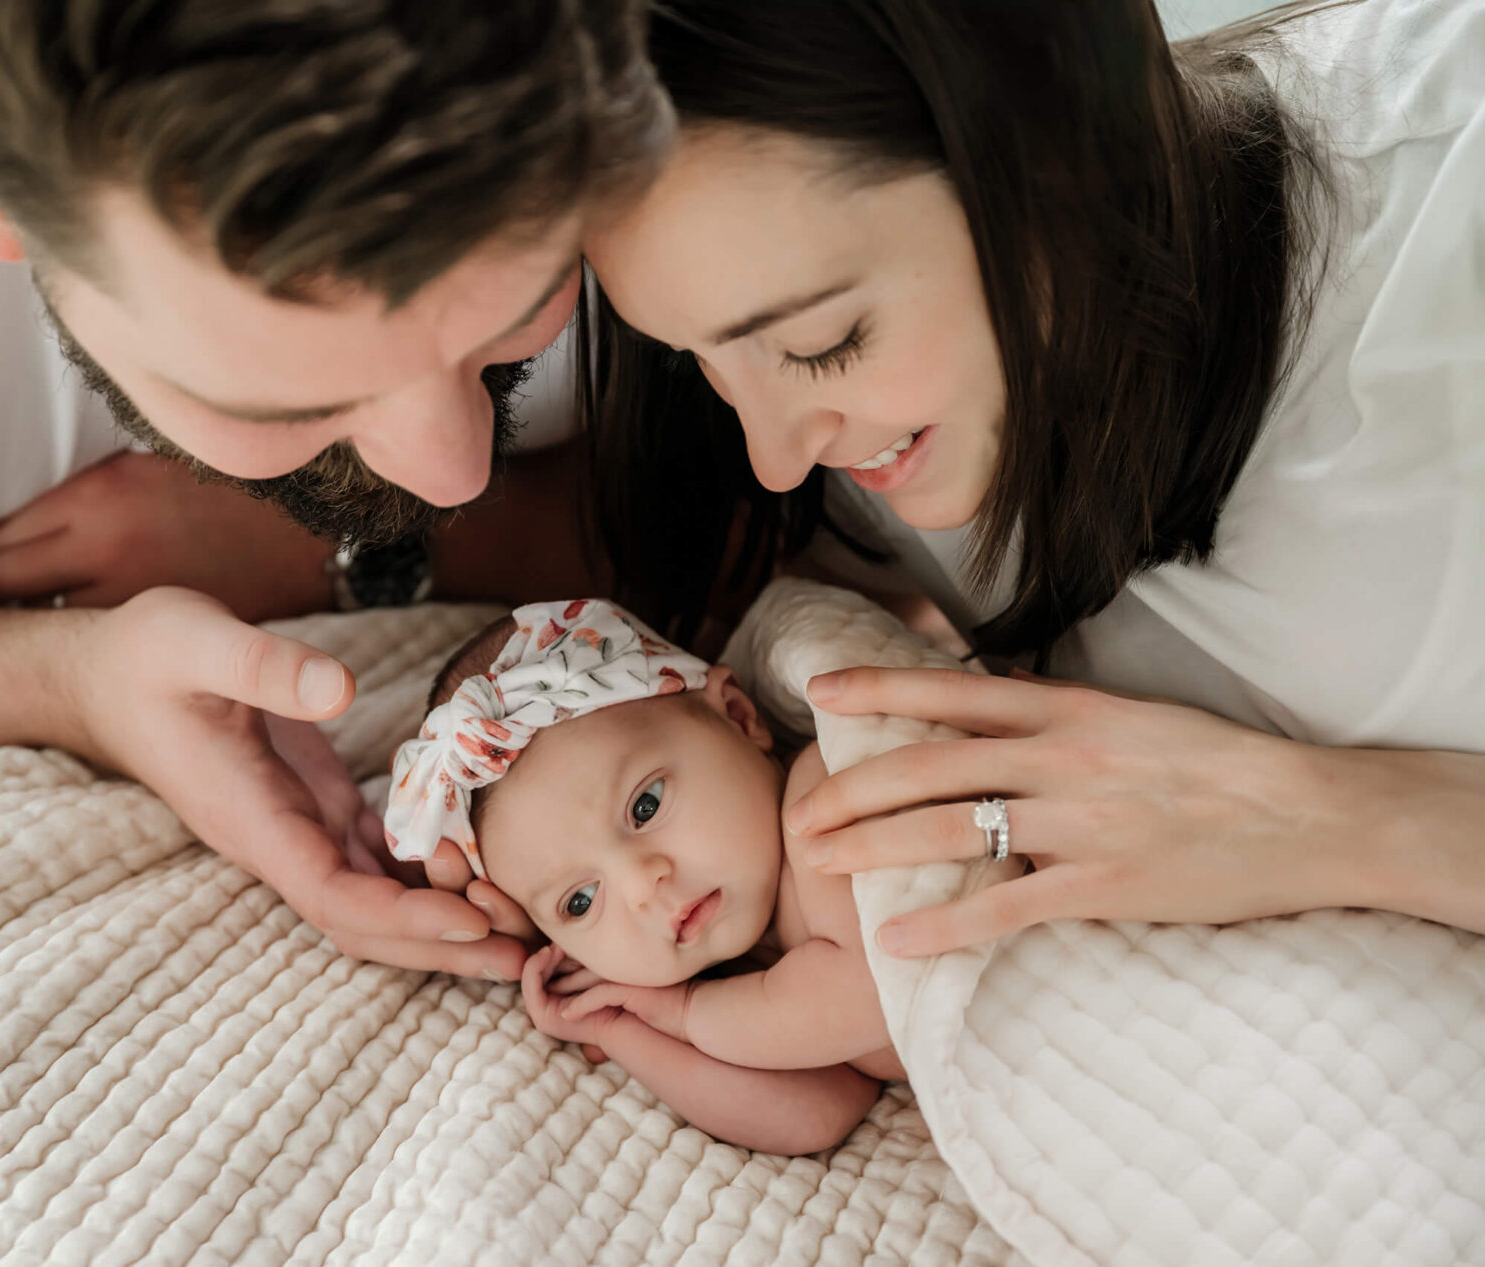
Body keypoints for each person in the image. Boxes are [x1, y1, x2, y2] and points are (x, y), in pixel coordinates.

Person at [0, 0, 672, 977]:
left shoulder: (671, 53)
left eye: (525, 299)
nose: (458, 469)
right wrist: (72, 680)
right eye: (285, 403)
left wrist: (328, 554)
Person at [577, 0, 1485, 957]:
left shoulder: (1449, 226)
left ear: (1057, 161)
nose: (778, 457)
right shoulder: (864, 432)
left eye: (822, 345)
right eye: (702, 364)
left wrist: (1335, 822)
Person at [386, 599, 902, 1155]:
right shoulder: (740, 977)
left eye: (646, 806)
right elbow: (812, 1115)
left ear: (738, 716)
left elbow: (875, 997)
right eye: (580, 902)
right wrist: (621, 1028)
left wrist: (686, 1016)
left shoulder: (824, 795)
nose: (641, 888)